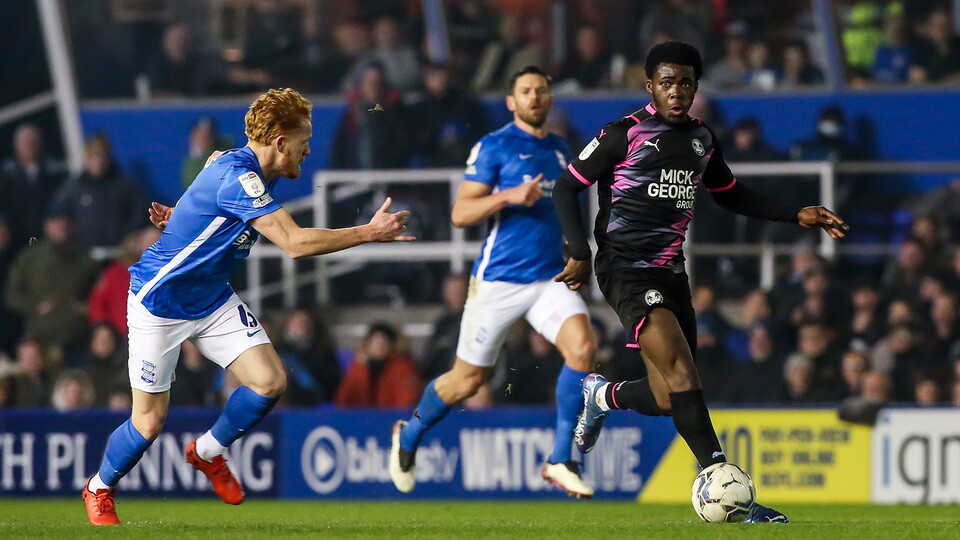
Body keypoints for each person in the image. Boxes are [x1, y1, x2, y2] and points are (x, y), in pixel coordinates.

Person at [82, 88, 413, 525]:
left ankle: (206, 452)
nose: (308, 150)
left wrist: (184, 213)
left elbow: (211, 167)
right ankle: (99, 487)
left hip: (211, 297)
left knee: (270, 381)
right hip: (159, 302)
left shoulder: (238, 165)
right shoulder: (242, 178)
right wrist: (368, 233)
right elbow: (294, 243)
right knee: (148, 423)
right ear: (280, 142)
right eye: (304, 142)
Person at [551, 41, 849, 523]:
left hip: (671, 272)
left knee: (668, 396)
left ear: (695, 88)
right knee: (685, 376)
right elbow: (567, 186)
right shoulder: (622, 134)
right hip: (625, 269)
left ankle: (602, 395)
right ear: (650, 86)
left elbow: (729, 193)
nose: (677, 91)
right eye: (667, 82)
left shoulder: (702, 140)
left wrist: (796, 214)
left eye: (686, 83)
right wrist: (579, 251)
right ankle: (729, 490)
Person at [389, 66, 598, 499]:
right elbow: (459, 213)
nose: (534, 97)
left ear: (549, 98)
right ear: (511, 101)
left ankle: (561, 459)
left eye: (540, 90)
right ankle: (408, 435)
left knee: (583, 348)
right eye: (525, 91)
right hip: (499, 279)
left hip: (548, 277)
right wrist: (508, 195)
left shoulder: (562, 150)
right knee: (467, 381)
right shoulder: (494, 146)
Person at [335, 322, 421, 408]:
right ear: (367, 345)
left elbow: (406, 403)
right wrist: (360, 368)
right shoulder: (358, 367)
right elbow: (343, 402)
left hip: (390, 415)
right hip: (362, 415)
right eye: (374, 342)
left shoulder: (402, 368)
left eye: (383, 342)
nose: (379, 346)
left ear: (392, 345)